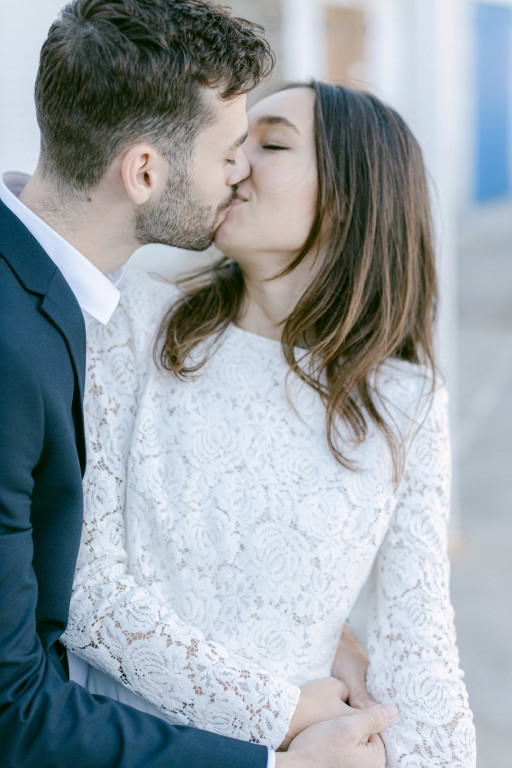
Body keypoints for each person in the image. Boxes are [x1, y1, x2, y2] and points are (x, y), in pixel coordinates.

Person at [0, 0, 397, 764]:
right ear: (145, 172)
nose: (244, 171)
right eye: (229, 154)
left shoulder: (59, 296)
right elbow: (12, 709)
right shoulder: (14, 350)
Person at [62, 81, 477, 766]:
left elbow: (421, 656)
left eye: (271, 143)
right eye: (232, 144)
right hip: (131, 749)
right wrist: (281, 713)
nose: (234, 164)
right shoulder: (135, 316)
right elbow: (85, 590)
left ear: (353, 197)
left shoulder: (404, 401)